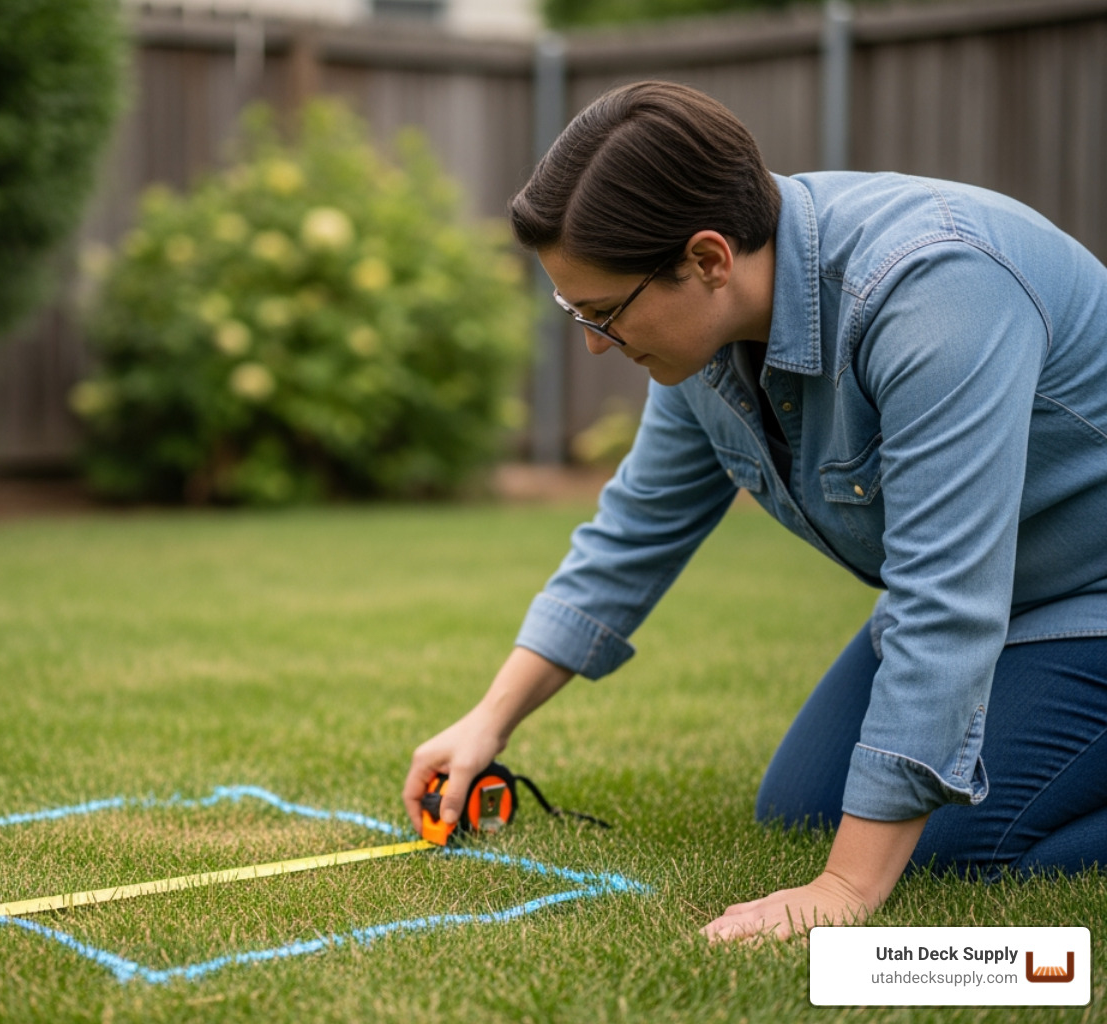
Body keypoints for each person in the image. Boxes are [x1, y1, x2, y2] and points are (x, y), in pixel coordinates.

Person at [403, 80, 1107, 942]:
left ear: (706, 259)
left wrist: (845, 890)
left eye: (604, 314)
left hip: (1086, 595)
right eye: (573, 313)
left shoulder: (933, 291)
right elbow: (635, 532)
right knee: (803, 807)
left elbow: (944, 600)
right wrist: (488, 720)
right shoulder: (708, 340)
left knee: (945, 844)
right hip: (1013, 600)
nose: (593, 344)